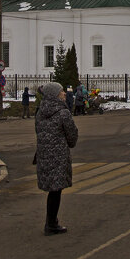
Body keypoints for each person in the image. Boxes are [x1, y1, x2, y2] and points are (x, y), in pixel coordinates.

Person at [35, 82, 78, 235]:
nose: (64, 93)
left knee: (53, 189)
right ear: (55, 95)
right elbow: (72, 135)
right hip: (58, 156)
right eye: (61, 92)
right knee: (56, 190)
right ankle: (51, 224)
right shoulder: (62, 112)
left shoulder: (40, 112)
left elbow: (38, 132)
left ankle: (51, 222)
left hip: (44, 156)